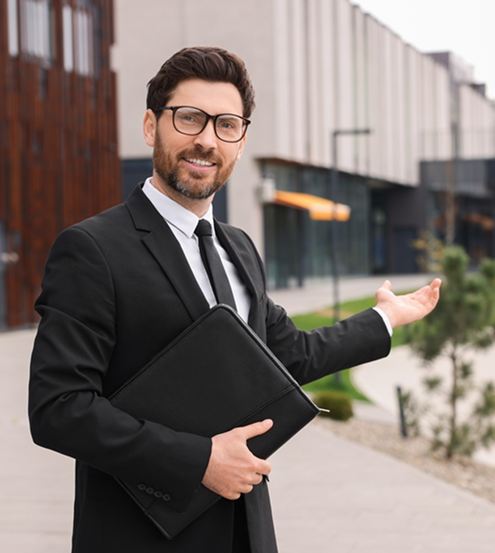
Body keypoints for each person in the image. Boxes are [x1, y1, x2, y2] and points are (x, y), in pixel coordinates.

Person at [28, 46, 440, 553]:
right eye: (189, 118)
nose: (206, 139)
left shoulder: (239, 247)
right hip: (138, 536)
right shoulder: (92, 249)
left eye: (226, 124)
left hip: (246, 532)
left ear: (241, 142)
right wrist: (199, 460)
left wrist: (384, 319)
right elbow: (59, 408)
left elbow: (287, 354)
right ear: (150, 126)